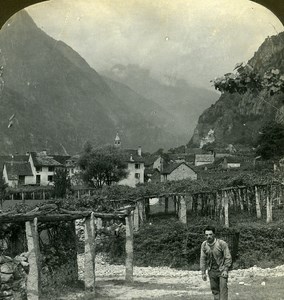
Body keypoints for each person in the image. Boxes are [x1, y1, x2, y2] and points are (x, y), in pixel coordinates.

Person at [200, 226, 232, 300]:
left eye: (210, 234)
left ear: (214, 234)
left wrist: (225, 269)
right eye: (206, 235)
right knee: (215, 291)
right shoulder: (204, 245)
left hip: (222, 270)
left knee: (223, 291)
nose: (208, 236)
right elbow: (202, 258)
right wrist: (203, 272)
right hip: (211, 271)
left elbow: (228, 257)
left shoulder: (221, 243)